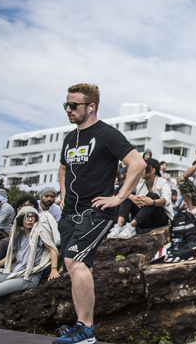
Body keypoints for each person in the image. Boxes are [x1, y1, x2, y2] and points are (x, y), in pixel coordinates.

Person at [55, 83, 146, 344]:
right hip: (70, 212)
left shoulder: (107, 134)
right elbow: (62, 169)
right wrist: (62, 195)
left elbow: (137, 163)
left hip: (95, 211)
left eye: (74, 106)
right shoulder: (70, 138)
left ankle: (86, 330)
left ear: (91, 106)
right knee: (75, 267)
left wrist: (119, 197)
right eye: (66, 105)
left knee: (74, 261)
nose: (68, 110)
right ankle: (80, 326)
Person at [0, 206, 60, 327]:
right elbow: (12, 256)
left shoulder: (40, 232)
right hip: (15, 273)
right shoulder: (20, 235)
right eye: (27, 217)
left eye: (33, 217)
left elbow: (53, 249)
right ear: (21, 220)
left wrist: (54, 270)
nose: (30, 220)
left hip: (27, 278)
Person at [107, 158, 172, 239]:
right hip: (143, 217)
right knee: (128, 196)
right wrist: (133, 197)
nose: (142, 171)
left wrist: (152, 202)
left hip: (158, 218)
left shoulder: (162, 182)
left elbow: (166, 200)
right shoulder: (140, 181)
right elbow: (123, 191)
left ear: (153, 170)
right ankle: (119, 226)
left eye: (145, 168)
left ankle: (131, 226)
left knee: (153, 196)